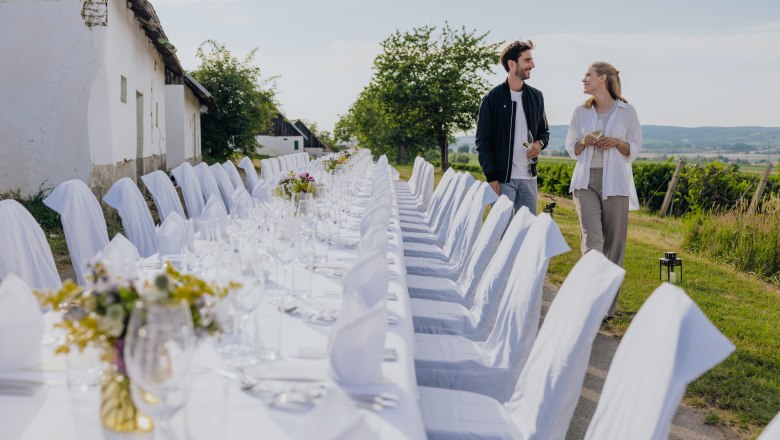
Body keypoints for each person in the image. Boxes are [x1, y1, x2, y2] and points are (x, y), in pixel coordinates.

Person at [565, 61, 642, 318]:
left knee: (614, 247)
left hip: (616, 184)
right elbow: (571, 148)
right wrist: (582, 142)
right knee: (593, 242)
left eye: (588, 75)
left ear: (603, 79)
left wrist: (619, 142)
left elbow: (635, 149)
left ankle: (606, 308)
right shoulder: (580, 112)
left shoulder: (627, 112)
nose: (583, 79)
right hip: (585, 182)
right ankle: (588, 302)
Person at [476, 40, 549, 214]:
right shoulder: (492, 98)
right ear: (511, 64)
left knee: (526, 232)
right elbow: (482, 140)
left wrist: (539, 144)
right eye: (527, 60)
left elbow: (544, 132)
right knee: (503, 231)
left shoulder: (536, 96)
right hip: (503, 180)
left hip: (529, 178)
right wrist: (491, 176)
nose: (532, 65)